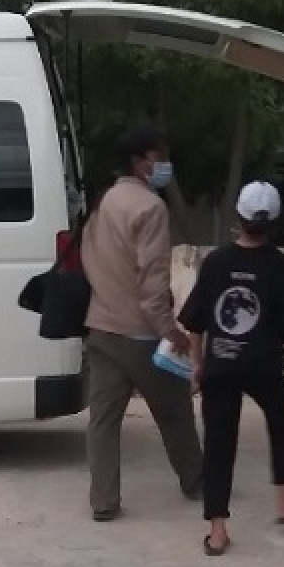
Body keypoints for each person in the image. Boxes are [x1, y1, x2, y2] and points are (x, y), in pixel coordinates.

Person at [180, 181, 284, 556]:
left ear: (237, 217)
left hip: (221, 366)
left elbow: (195, 323)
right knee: (282, 426)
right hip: (263, 367)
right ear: (274, 223)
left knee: (219, 445)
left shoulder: (215, 262)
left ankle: (217, 532)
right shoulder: (281, 267)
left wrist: (197, 366)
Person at [80, 127, 204, 521]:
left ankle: (103, 501)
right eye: (158, 157)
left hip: (102, 326)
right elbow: (152, 280)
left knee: (103, 421)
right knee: (175, 413)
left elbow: (87, 256)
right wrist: (170, 330)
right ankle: (195, 480)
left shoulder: (103, 201)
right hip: (141, 333)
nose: (164, 164)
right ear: (139, 162)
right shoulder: (151, 208)